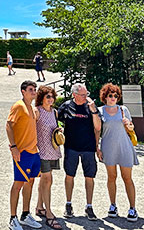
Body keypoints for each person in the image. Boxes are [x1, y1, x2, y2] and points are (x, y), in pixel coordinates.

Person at [57, 83, 101, 221]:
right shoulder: (66, 106)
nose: (86, 97)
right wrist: (60, 130)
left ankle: (89, 206)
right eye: (83, 95)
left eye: (86, 94)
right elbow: (56, 120)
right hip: (71, 147)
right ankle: (68, 204)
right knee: (70, 175)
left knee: (90, 177)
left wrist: (93, 110)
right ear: (74, 95)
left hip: (88, 148)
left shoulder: (91, 107)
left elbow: (98, 127)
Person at [97, 83, 139, 222]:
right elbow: (97, 131)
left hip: (124, 146)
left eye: (115, 95)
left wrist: (129, 124)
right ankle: (113, 205)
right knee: (111, 177)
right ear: (105, 96)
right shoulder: (100, 111)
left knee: (127, 178)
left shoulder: (123, 109)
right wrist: (97, 148)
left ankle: (132, 208)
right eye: (110, 95)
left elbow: (131, 127)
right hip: (108, 146)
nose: (113, 98)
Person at [6, 81, 43, 230]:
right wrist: (13, 147)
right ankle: (12, 218)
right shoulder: (18, 106)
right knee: (18, 184)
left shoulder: (33, 109)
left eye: (34, 90)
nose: (33, 92)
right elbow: (9, 125)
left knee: (30, 183)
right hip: (22, 152)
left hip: (34, 152)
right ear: (23, 91)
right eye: (30, 90)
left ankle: (25, 215)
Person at [35, 86, 63, 229]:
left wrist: (59, 130)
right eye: (48, 97)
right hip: (41, 151)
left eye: (52, 97)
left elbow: (54, 127)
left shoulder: (54, 112)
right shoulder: (37, 111)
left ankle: (40, 207)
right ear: (41, 98)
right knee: (47, 180)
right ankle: (49, 214)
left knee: (46, 180)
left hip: (53, 149)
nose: (51, 99)